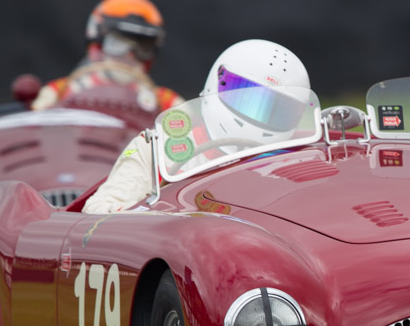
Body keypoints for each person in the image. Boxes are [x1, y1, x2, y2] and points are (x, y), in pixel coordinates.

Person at [82, 39, 310, 214]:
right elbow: (100, 211)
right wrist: (159, 217)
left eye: (278, 109)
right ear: (216, 84)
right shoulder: (159, 149)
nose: (259, 116)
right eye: (248, 100)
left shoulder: (298, 163)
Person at [31, 0, 182, 112]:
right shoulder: (61, 91)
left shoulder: (164, 102)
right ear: (97, 42)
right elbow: (34, 124)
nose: (129, 55)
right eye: (117, 43)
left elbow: (193, 132)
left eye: (143, 48)